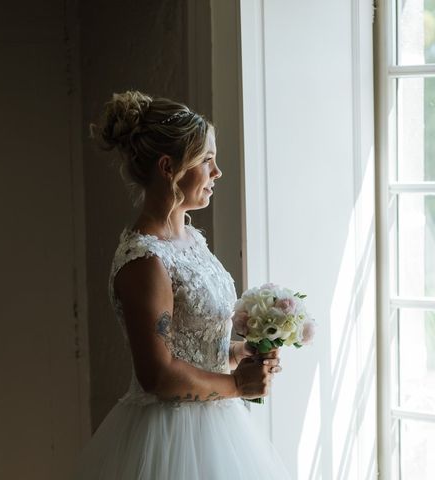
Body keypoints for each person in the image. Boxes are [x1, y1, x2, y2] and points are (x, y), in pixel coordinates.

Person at [75, 90, 291, 479]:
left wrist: (239, 352)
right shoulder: (146, 260)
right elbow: (157, 375)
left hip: (219, 428)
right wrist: (238, 386)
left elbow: (193, 344)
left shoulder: (191, 240)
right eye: (207, 161)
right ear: (167, 167)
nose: (217, 173)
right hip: (169, 439)